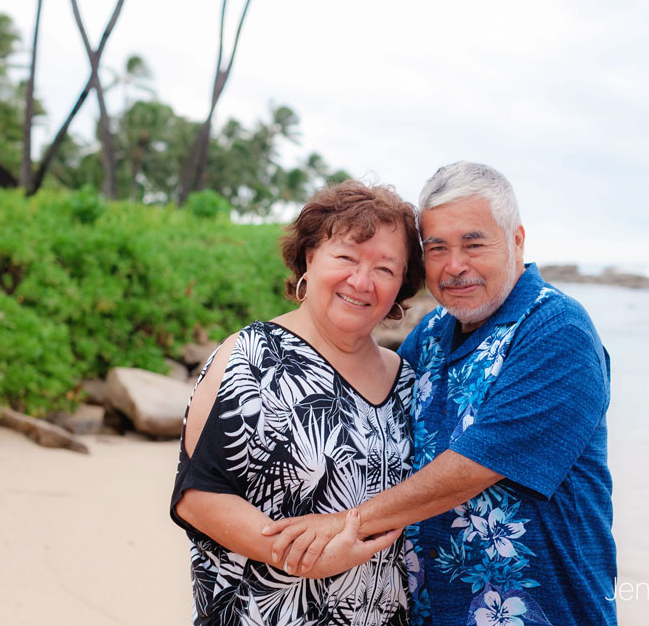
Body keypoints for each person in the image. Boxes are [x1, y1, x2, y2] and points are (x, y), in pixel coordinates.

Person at [264, 162, 617, 625]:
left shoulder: (556, 329)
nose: (454, 266)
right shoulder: (431, 333)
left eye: (473, 244)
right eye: (437, 249)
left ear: (516, 241)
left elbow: (474, 466)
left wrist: (346, 523)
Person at [169, 180, 425, 625]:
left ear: (402, 284)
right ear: (309, 257)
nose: (361, 281)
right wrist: (298, 558)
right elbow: (197, 496)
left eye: (385, 268)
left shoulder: (407, 379)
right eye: (346, 258)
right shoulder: (253, 356)